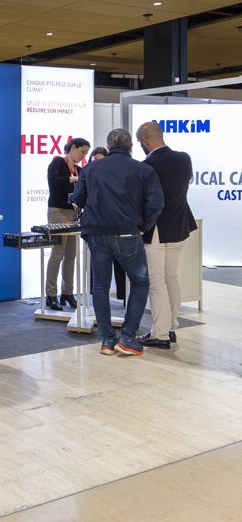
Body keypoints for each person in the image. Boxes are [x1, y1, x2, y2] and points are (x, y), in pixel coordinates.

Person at [71, 128, 163, 356]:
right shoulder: (144, 169)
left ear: (108, 148)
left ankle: (107, 340)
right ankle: (128, 338)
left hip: (96, 234)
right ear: (130, 147)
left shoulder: (90, 168)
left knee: (100, 286)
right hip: (127, 234)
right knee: (140, 282)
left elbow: (78, 199)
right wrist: (143, 226)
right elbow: (156, 203)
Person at [135, 121, 197, 349]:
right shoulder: (184, 158)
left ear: (145, 141)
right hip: (180, 226)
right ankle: (170, 327)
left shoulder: (146, 165)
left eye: (139, 142)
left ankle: (159, 334)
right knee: (172, 277)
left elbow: (147, 201)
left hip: (156, 229)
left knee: (157, 281)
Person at [44, 137, 90, 311]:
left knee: (71, 255)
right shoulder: (58, 162)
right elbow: (54, 181)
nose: (83, 156)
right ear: (73, 147)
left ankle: (67, 292)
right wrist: (74, 179)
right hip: (58, 212)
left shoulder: (79, 170)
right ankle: (51, 294)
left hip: (74, 213)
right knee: (57, 254)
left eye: (85, 153)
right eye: (82, 151)